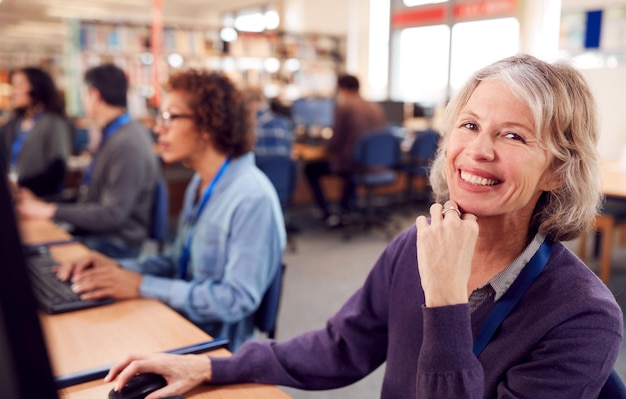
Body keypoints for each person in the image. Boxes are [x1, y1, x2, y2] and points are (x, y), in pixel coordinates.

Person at [102, 54, 623, 399]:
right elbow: (340, 347)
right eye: (469, 125)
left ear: (558, 168)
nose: (478, 150)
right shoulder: (409, 249)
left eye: (512, 135)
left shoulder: (582, 317)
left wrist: (443, 301)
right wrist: (212, 368)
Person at [56, 69, 286, 351]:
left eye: (170, 117)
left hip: (214, 349)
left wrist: (140, 285)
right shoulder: (201, 183)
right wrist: (116, 269)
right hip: (179, 324)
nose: (158, 128)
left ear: (208, 125)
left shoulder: (251, 198)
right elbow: (177, 263)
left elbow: (234, 300)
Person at [16, 63, 159, 259]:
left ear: (95, 95)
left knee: (34, 259)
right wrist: (42, 203)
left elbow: (111, 214)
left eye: (85, 95)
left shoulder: (128, 143)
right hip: (97, 235)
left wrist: (50, 210)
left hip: (116, 244)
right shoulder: (114, 133)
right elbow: (92, 197)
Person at [304, 74, 386, 227]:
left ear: (343, 89)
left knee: (310, 169)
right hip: (375, 165)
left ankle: (327, 212)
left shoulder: (344, 106)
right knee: (351, 162)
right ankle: (346, 207)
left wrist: (321, 147)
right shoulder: (375, 107)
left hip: (354, 165)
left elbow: (335, 142)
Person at [0, 66, 70, 198]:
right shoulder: (12, 125)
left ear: (36, 87)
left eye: (19, 85)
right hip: (12, 199)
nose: (13, 92)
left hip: (40, 200)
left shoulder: (54, 123)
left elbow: (57, 172)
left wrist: (19, 186)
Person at [246, 87, 294, 157]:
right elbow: (290, 150)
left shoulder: (245, 128)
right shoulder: (283, 123)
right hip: (281, 167)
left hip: (255, 167)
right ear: (265, 102)